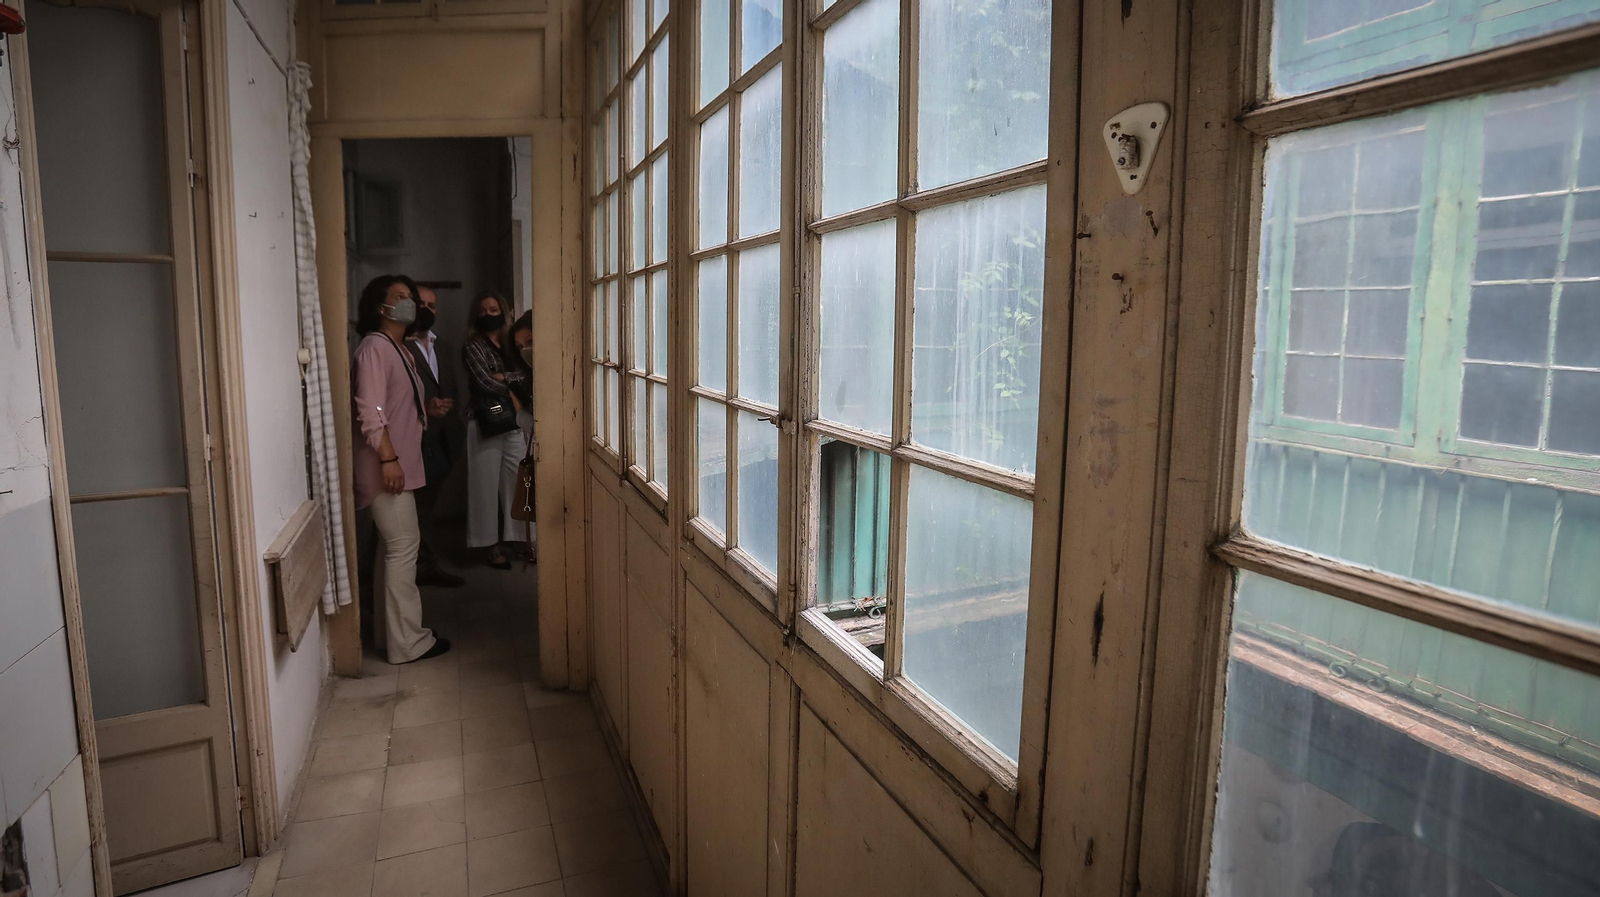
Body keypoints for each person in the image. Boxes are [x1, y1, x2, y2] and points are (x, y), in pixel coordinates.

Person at [352, 274, 450, 663]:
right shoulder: (375, 347)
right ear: (381, 306)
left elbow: (392, 405)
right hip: (386, 468)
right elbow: (370, 412)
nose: (410, 303)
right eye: (400, 296)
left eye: (411, 295)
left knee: (392, 549)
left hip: (398, 464)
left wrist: (426, 410)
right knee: (403, 547)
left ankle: (390, 637)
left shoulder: (399, 349)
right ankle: (409, 642)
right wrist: (388, 460)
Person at [463, 290, 532, 569]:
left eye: (493, 310)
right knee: (484, 486)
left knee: (518, 482)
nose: (488, 315)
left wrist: (505, 376)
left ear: (503, 312)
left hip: (514, 421)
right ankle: (489, 545)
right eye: (483, 311)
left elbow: (527, 374)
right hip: (484, 421)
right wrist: (513, 384)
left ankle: (521, 540)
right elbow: (483, 382)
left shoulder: (512, 342)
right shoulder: (473, 345)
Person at [406, 286, 465, 588]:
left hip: (442, 440)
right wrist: (426, 409)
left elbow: (450, 387)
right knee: (410, 512)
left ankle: (424, 566)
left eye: (431, 305)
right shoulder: (400, 345)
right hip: (413, 440)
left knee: (426, 509)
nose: (426, 309)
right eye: (421, 304)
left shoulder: (443, 346)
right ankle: (416, 569)